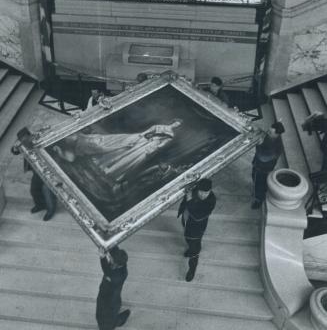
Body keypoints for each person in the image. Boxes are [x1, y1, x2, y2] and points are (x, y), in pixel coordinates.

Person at [52, 119, 183, 186]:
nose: (176, 125)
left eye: (178, 124)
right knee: (121, 145)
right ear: (173, 121)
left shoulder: (170, 134)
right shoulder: (160, 126)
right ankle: (103, 164)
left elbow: (162, 144)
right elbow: (149, 130)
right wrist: (141, 136)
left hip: (150, 146)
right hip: (143, 138)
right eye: (175, 122)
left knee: (132, 158)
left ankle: (112, 172)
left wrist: (153, 148)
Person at [177, 178, 216, 282]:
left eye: (206, 193)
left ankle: (192, 270)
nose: (203, 195)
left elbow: (198, 216)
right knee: (187, 239)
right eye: (201, 192)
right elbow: (184, 200)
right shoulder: (193, 191)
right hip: (186, 222)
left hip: (197, 229)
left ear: (210, 191)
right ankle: (190, 249)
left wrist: (189, 200)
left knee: (195, 249)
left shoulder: (211, 200)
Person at [11, 139, 57, 222]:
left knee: (47, 191)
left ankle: (51, 209)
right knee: (34, 190)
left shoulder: (46, 141)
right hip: (36, 170)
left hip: (47, 170)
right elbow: (17, 151)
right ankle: (40, 205)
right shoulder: (26, 142)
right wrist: (15, 148)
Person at [251, 121, 285, 209]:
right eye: (268, 130)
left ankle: (258, 200)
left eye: (270, 132)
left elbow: (263, 157)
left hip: (264, 168)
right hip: (258, 164)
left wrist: (258, 144)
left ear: (277, 134)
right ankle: (257, 191)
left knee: (260, 184)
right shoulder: (270, 136)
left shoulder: (277, 146)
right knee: (254, 177)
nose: (267, 133)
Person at [96, 246, 130, 330]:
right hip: (115, 298)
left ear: (116, 264)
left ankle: (113, 324)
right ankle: (117, 320)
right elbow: (115, 250)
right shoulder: (122, 265)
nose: (109, 258)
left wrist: (102, 257)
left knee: (105, 320)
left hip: (106, 301)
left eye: (110, 258)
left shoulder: (114, 277)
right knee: (114, 309)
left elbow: (106, 270)